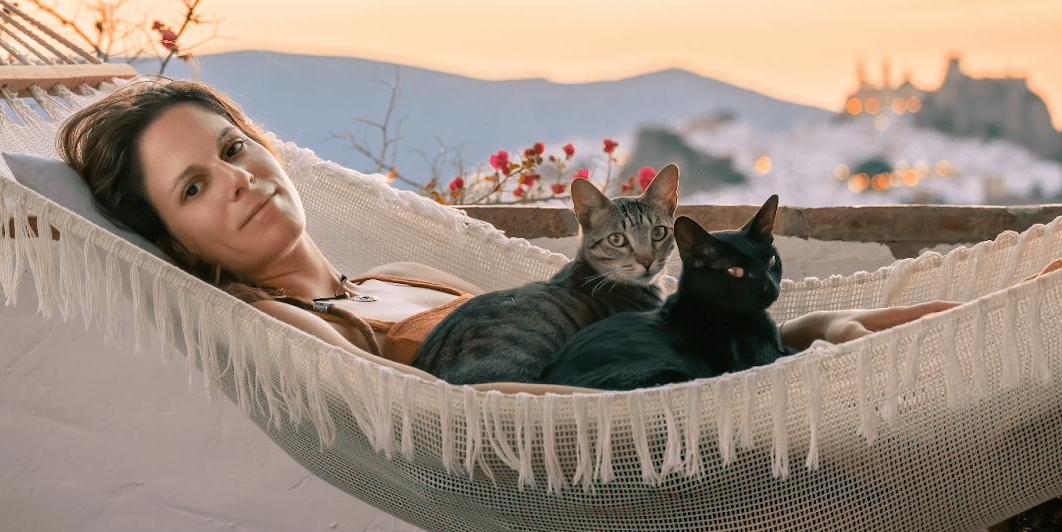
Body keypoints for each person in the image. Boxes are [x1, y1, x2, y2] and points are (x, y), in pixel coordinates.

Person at [60, 77, 958, 394]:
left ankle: (1020, 312)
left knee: (822, 326)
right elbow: (443, 416)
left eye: (232, 147)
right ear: (177, 240)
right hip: (612, 417)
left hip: (669, 364)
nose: (240, 179)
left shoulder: (399, 269)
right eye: (194, 186)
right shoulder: (281, 321)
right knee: (802, 348)